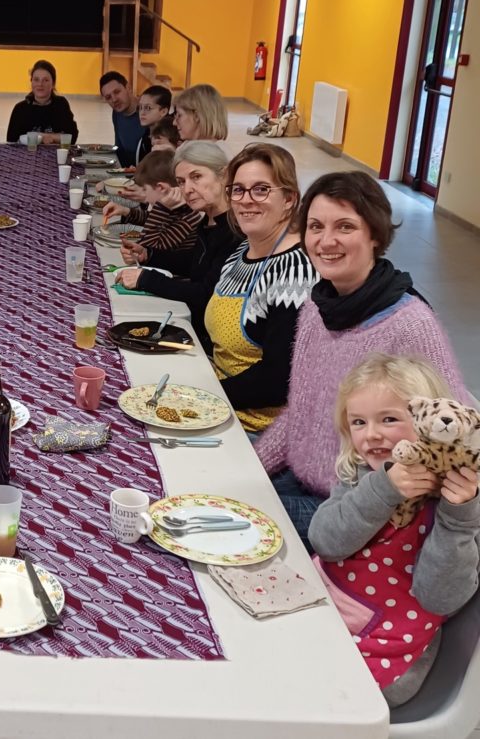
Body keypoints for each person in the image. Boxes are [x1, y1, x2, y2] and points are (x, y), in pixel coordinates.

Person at [254, 171, 470, 540]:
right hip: (300, 477)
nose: (326, 241)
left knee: (219, 515)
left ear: (375, 235)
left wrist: (378, 496)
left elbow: (450, 440)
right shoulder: (316, 307)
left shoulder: (411, 325)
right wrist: (255, 467)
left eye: (345, 227)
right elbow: (301, 413)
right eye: (316, 226)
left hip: (358, 512)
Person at [309, 354, 480, 707]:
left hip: (389, 646)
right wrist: (383, 489)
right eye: (358, 422)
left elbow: (440, 598)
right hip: (322, 604)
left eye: (389, 419)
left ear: (431, 420)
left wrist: (456, 518)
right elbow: (326, 542)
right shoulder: (360, 473)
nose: (371, 434)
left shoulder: (459, 501)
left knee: (311, 689)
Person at [201, 143, 317, 432]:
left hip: (260, 431)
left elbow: (278, 381)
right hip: (224, 406)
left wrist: (204, 395)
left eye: (261, 189)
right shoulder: (241, 251)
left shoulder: (296, 272)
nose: (246, 200)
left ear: (289, 198)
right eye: (237, 190)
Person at [115, 141, 241, 341]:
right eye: (181, 182)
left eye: (196, 177)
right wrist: (149, 255)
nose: (188, 189)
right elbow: (196, 261)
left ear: (224, 175)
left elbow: (207, 293)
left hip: (207, 337)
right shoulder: (210, 218)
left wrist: (146, 279)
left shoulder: (236, 229)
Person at [102, 149, 202, 252]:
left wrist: (161, 209)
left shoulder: (187, 220)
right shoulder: (175, 209)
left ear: (161, 188)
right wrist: (126, 211)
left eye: (145, 189)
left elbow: (147, 247)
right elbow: (153, 220)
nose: (144, 195)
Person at [5, 60, 78, 145]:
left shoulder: (61, 105)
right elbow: (11, 142)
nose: (40, 84)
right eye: (36, 79)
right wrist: (56, 137)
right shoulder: (20, 109)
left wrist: (44, 136)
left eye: (45, 80)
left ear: (53, 83)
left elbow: (72, 137)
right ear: (31, 82)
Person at [98, 71, 145, 167]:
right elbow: (119, 150)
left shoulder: (147, 113)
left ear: (128, 88)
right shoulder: (116, 113)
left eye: (117, 92)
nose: (114, 99)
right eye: (108, 97)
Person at [135, 86, 172, 162]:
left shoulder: (167, 141)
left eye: (148, 108)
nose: (142, 112)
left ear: (163, 112)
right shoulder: (145, 136)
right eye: (140, 107)